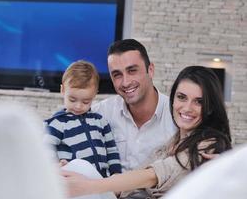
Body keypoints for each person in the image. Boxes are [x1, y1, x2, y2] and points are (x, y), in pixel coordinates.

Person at [62, 65, 232, 198]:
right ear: (173, 100)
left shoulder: (210, 144)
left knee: (80, 170)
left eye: (199, 102)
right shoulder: (173, 143)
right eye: (181, 97)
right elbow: (137, 177)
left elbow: (152, 176)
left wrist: (89, 187)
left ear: (210, 108)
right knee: (76, 168)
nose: (187, 108)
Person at [92, 39, 177, 171]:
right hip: (110, 190)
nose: (125, 82)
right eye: (117, 75)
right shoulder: (100, 113)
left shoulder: (176, 116)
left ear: (151, 70)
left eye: (132, 71)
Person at [45, 60, 122, 178]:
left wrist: (116, 174)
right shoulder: (57, 124)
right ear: (62, 90)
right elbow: (45, 147)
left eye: (86, 101)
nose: (78, 106)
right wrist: (55, 165)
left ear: (94, 94)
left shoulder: (101, 122)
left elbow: (111, 151)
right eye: (72, 100)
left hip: (101, 181)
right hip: (74, 181)